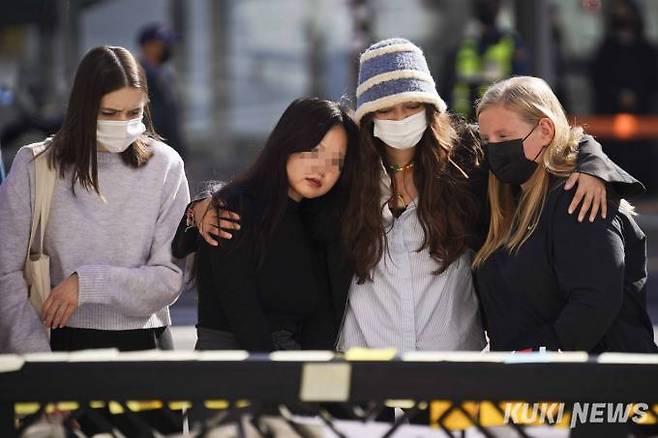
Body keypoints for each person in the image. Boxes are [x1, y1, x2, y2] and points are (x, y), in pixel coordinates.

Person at [190, 39, 633, 357]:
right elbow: (280, 188)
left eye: (410, 105)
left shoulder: (468, 162)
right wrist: (205, 206)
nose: (399, 117)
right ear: (367, 117)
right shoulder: (347, 176)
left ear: (430, 107)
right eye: (384, 109)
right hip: (363, 366)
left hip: (452, 366)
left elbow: (548, 139)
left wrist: (594, 166)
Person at [0, 46, 190, 353]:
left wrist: (87, 283)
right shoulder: (36, 166)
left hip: (146, 345)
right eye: (110, 113)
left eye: (134, 112)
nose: (123, 123)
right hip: (59, 342)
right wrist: (38, 364)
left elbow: (169, 278)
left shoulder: (165, 165)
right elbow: (5, 273)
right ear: (83, 108)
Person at [474, 76, 656, 355]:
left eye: (504, 137)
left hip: (596, 389)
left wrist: (538, 354)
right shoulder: (506, 200)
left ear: (545, 130)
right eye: (487, 139)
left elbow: (594, 301)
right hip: (527, 385)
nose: (494, 149)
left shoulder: (581, 197)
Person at [172, 98, 358, 351]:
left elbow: (325, 320)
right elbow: (241, 311)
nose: (322, 168)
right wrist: (195, 211)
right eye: (314, 151)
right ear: (287, 143)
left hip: (292, 367)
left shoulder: (323, 225)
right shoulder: (232, 209)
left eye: (337, 161)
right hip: (230, 370)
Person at [590, 0, 658, 193]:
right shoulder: (606, 48)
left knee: (640, 156)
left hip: (642, 117)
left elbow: (652, 79)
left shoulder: (646, 49)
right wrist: (617, 96)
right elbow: (599, 79)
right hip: (610, 117)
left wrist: (637, 96)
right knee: (614, 155)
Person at [442, 0, 529, 120]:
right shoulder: (464, 42)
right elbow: (448, 85)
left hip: (498, 118)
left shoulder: (510, 42)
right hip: (464, 120)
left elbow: (521, 85)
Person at [137, 23, 186, 158]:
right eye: (163, 44)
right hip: (151, 149)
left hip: (168, 148)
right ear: (148, 46)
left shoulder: (165, 74)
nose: (168, 48)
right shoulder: (135, 75)